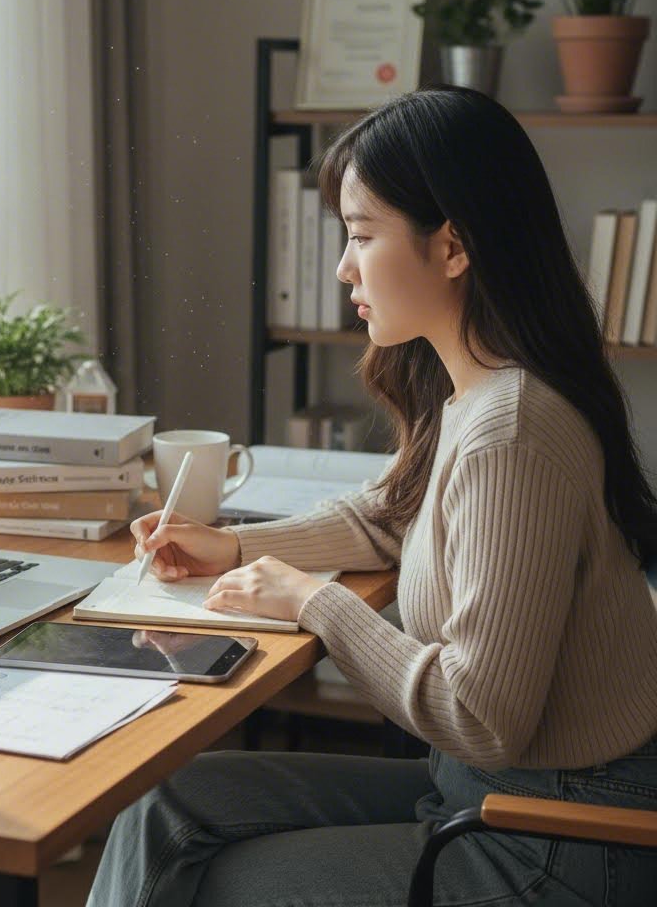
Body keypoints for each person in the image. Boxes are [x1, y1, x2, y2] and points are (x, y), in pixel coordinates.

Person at [87, 86, 657, 907]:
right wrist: (239, 545)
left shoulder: (513, 433)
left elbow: (480, 715)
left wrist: (314, 602)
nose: (345, 267)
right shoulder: (474, 390)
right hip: (489, 791)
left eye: (361, 236)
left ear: (453, 246)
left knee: (209, 880)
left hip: (558, 838)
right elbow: (393, 517)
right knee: (169, 806)